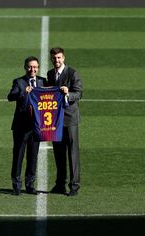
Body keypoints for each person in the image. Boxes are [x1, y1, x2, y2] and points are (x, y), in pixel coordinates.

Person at [46, 47, 83, 197]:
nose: (57, 60)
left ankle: (74, 186)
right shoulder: (50, 74)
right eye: (54, 58)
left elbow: (79, 93)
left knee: (72, 153)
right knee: (59, 153)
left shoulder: (72, 73)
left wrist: (68, 93)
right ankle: (60, 184)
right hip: (55, 119)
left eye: (59, 58)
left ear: (64, 58)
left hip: (70, 118)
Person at [7, 56, 46, 196]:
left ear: (38, 68)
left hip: (36, 127)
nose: (32, 69)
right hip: (21, 126)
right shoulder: (19, 82)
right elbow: (10, 96)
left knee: (33, 156)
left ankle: (30, 185)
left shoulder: (43, 81)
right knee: (18, 155)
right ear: (25, 67)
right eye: (30, 66)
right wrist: (24, 92)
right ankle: (16, 185)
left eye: (35, 67)